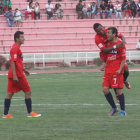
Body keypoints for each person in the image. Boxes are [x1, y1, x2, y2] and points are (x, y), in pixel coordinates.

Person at [2, 31, 41, 118]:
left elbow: (17, 62)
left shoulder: (16, 48)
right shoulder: (15, 48)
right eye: (22, 37)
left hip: (13, 74)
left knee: (10, 94)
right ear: (17, 39)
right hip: (17, 75)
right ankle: (30, 113)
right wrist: (16, 75)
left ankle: (5, 114)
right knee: (28, 91)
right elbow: (12, 62)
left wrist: (24, 70)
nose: (24, 39)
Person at [93, 23, 131, 102]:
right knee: (113, 75)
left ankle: (124, 80)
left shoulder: (109, 31)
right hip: (107, 54)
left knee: (126, 70)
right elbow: (104, 50)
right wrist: (115, 47)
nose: (101, 31)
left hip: (115, 52)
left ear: (103, 26)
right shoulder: (97, 38)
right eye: (98, 31)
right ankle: (117, 95)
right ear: (96, 32)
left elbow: (121, 35)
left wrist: (123, 41)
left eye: (101, 29)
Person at [103, 27, 126, 116]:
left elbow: (123, 59)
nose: (107, 34)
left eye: (109, 33)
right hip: (108, 71)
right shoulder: (108, 44)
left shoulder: (120, 44)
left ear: (114, 34)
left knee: (118, 92)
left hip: (116, 71)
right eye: (107, 32)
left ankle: (123, 110)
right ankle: (114, 108)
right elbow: (107, 56)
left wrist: (120, 69)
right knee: (105, 89)